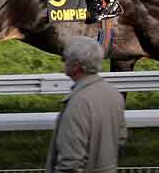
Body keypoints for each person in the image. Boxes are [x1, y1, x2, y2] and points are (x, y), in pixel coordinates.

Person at [45, 36, 126, 173]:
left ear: (77, 65)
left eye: (65, 58)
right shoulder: (114, 94)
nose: (62, 62)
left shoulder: (79, 102)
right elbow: (121, 138)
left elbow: (70, 161)